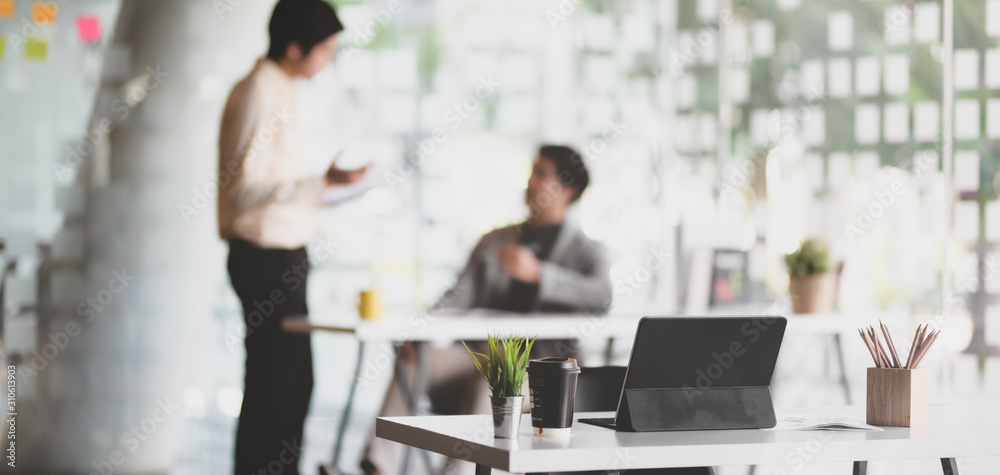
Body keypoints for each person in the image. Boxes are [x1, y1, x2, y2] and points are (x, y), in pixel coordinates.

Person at [362, 145, 613, 475]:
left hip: (536, 375)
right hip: (478, 357)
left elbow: (602, 296)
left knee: (498, 386)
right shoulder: (496, 240)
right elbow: (456, 296)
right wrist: (419, 329)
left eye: (541, 174)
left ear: (568, 190)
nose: (531, 182)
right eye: (531, 172)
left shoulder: (588, 252)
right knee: (414, 358)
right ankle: (377, 466)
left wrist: (539, 274)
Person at [217, 1, 367, 474]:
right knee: (277, 386)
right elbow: (241, 188)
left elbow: (268, 181)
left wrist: (323, 185)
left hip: (282, 255)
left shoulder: (280, 89)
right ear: (295, 45)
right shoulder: (259, 91)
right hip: (265, 258)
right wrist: (319, 184)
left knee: (287, 385)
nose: (328, 61)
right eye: (325, 50)